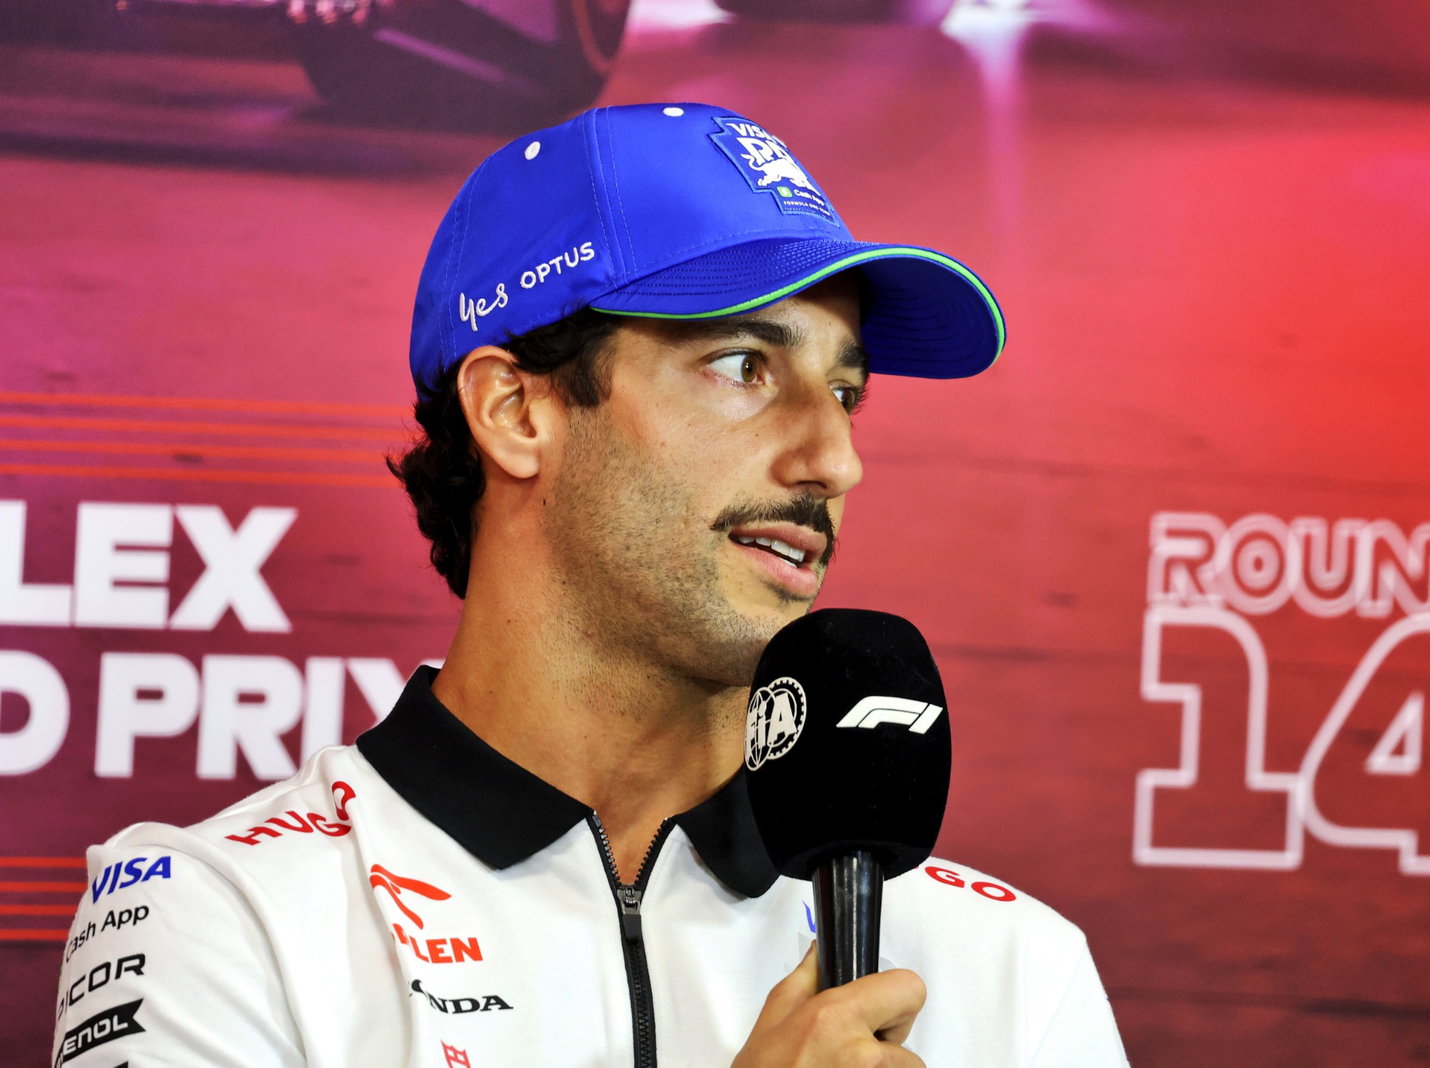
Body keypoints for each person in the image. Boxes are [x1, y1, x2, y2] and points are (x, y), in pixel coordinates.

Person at [50, 102, 1127, 1067]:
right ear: (517, 413)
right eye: (745, 367)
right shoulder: (223, 916)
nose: (833, 461)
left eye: (845, 392)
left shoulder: (1009, 969)